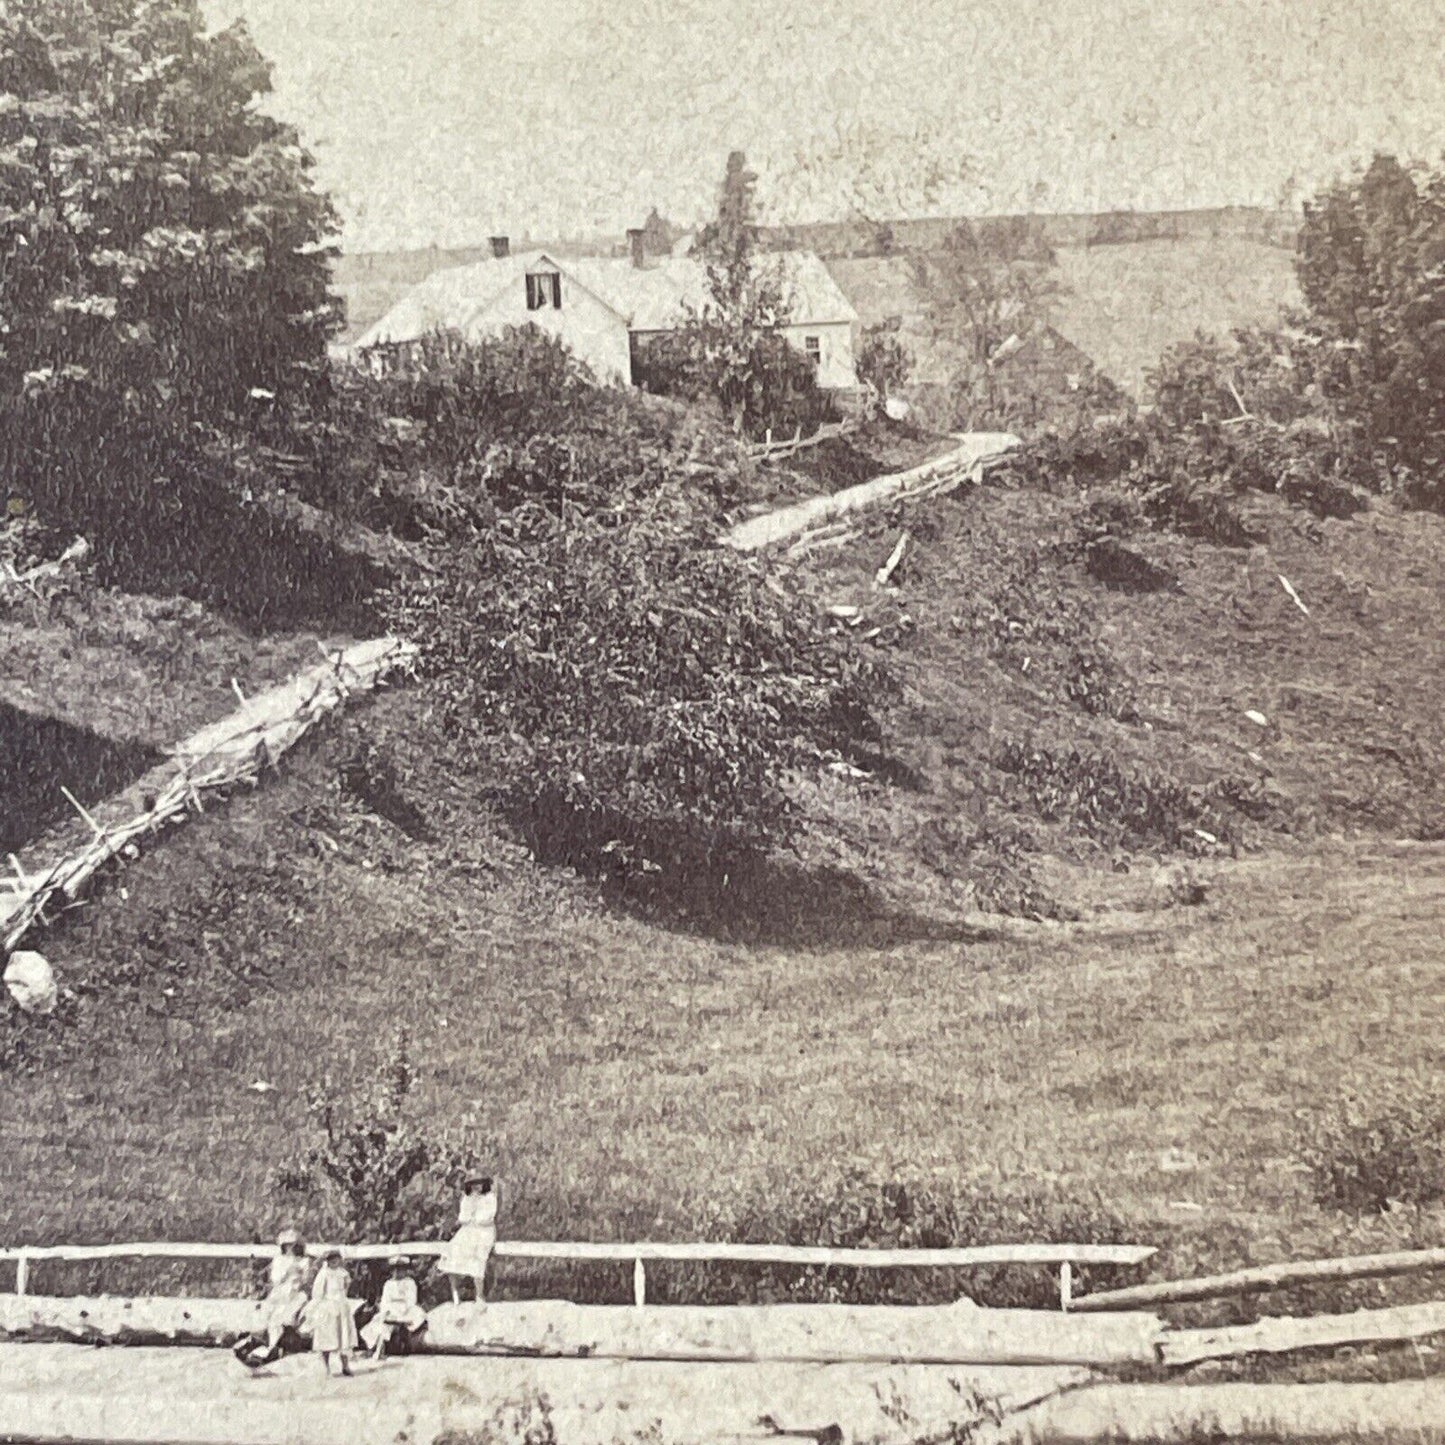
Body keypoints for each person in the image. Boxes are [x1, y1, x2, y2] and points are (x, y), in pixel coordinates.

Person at [233, 1227, 311, 1370]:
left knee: (281, 1318)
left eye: (293, 1245)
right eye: (287, 1245)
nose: (290, 1248)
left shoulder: (304, 1261)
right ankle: (257, 1347)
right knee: (267, 1315)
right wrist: (288, 1270)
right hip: (279, 1292)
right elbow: (275, 1279)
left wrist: (298, 1269)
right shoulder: (279, 1260)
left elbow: (305, 1280)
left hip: (294, 1293)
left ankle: (272, 1348)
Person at [436, 1175, 498, 1304]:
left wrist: (475, 1215)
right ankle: (455, 1293)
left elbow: (487, 1218)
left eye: (479, 1183)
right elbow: (463, 1218)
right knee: (452, 1250)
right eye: (473, 1184)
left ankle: (479, 1295)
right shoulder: (467, 1199)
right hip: (468, 1230)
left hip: (484, 1231)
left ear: (484, 1184)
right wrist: (471, 1212)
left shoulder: (490, 1198)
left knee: (478, 1255)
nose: (476, 1187)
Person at [361, 1255, 429, 1361]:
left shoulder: (410, 1282)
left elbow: (411, 1300)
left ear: (406, 1271)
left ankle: (392, 1343)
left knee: (417, 1314)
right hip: (391, 1308)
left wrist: (403, 1310)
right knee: (379, 1321)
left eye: (401, 1270)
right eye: (395, 1270)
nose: (398, 1273)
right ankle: (377, 1346)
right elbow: (385, 1301)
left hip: (406, 1308)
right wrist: (387, 1310)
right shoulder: (389, 1284)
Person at [306, 1248, 358, 1377]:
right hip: (328, 1307)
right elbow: (318, 1293)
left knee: (344, 1337)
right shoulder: (324, 1274)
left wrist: (342, 1299)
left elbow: (346, 1288)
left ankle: (345, 1366)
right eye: (331, 1259)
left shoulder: (343, 1273)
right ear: (327, 1261)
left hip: (341, 1306)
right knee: (328, 1337)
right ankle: (326, 1367)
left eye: (337, 1259)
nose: (334, 1261)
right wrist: (319, 1307)